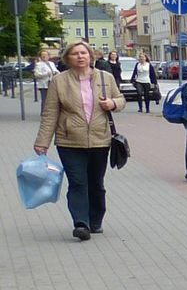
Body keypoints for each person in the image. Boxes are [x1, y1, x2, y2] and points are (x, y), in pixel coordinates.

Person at [32, 40, 125, 240]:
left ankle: (96, 219)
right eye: (75, 54)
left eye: (84, 53)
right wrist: (42, 142)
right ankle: (81, 223)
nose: (80, 56)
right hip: (69, 141)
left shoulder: (105, 78)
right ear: (68, 58)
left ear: (91, 56)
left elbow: (121, 99)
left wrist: (112, 103)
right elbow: (50, 114)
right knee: (77, 182)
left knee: (96, 183)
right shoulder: (59, 81)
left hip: (100, 140)